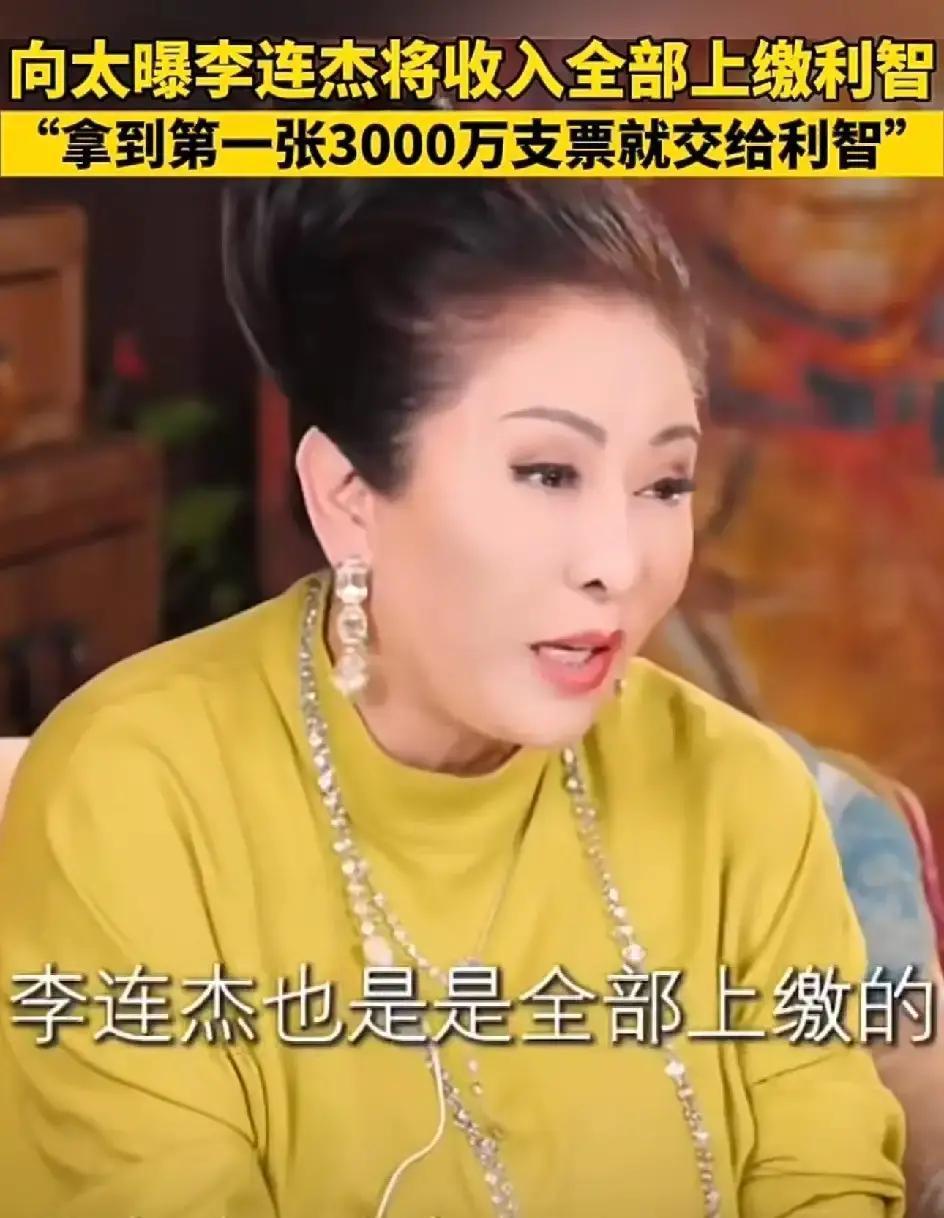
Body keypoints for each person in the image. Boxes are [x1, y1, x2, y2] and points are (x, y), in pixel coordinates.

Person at [0, 173, 906, 1218]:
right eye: (546, 473)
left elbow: (826, 1182)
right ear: (349, 497)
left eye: (663, 484)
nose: (618, 563)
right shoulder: (132, 800)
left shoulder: (741, 797)